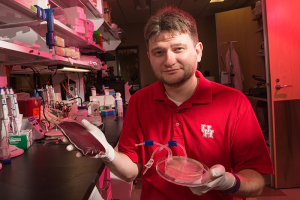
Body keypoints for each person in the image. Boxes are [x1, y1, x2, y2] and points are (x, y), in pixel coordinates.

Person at [68, 6, 274, 200]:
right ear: (150, 57)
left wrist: (230, 182)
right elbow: (132, 171)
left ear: (198, 51)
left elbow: (256, 179)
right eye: (159, 52)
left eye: (178, 49)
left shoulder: (233, 102)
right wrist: (108, 153)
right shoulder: (140, 101)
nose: (169, 60)